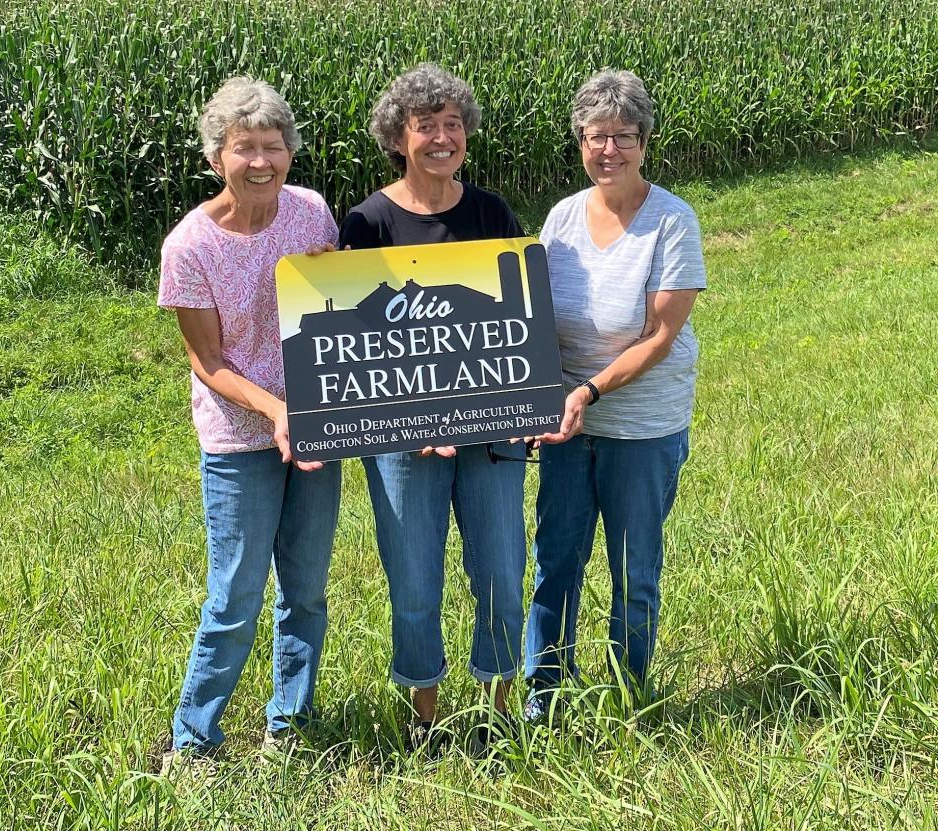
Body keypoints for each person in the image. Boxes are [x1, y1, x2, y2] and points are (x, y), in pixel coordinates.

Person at [339, 63, 527, 751]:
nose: (442, 138)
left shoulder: (490, 212)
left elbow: (516, 320)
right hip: (401, 439)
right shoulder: (368, 220)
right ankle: (425, 717)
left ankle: (497, 711)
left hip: (491, 434)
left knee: (502, 576)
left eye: (453, 125)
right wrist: (413, 420)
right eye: (427, 127)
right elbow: (358, 342)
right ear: (399, 137)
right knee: (414, 581)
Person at [157, 76, 341, 770]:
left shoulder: (312, 212)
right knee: (235, 593)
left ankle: (289, 725)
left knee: (306, 587)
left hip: (318, 424)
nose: (260, 161)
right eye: (243, 149)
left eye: (273, 146)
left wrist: (336, 277)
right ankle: (192, 740)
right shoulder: (190, 246)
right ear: (215, 158)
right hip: (239, 436)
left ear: (289, 153)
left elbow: (332, 306)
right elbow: (208, 360)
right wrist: (274, 411)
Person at [524, 69, 706, 718]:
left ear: (644, 141)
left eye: (621, 136)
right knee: (556, 563)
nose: (608, 150)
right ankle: (542, 699)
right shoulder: (561, 219)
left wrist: (589, 390)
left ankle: (627, 698)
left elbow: (659, 335)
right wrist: (530, 392)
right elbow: (532, 318)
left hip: (641, 426)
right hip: (567, 426)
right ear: (578, 141)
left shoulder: (671, 221)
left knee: (634, 571)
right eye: (595, 136)